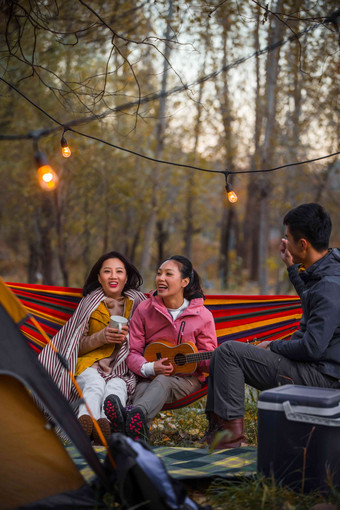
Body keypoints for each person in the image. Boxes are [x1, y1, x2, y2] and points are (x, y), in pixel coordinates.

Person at [204, 203, 340, 449]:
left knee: (228, 353)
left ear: (303, 244)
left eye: (287, 237)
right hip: (321, 369)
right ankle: (217, 433)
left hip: (322, 378)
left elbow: (312, 348)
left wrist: (273, 346)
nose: (284, 241)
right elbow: (314, 299)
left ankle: (229, 444)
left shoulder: (329, 285)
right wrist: (291, 268)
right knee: (222, 354)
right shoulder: (331, 269)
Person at [38, 251, 146, 443]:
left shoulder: (139, 303)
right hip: (89, 365)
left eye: (119, 271)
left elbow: (150, 335)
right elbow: (73, 346)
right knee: (95, 385)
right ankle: (85, 424)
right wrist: (100, 337)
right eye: (107, 272)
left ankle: (105, 424)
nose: (113, 276)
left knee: (116, 389)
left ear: (126, 277)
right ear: (99, 277)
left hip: (121, 370)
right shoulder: (90, 303)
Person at [106, 255, 217, 441]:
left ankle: (130, 418)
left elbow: (207, 363)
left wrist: (210, 358)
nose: (161, 278)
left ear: (184, 281)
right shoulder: (144, 309)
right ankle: (137, 433)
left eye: (168, 274)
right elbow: (133, 352)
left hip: (187, 380)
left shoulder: (202, 316)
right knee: (142, 389)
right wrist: (150, 367)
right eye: (158, 273)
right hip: (149, 376)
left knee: (163, 382)